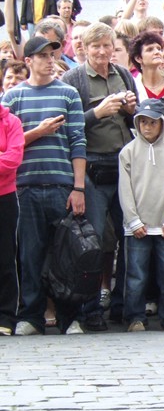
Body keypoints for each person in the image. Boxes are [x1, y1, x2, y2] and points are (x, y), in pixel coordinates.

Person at [2, 36, 87, 335]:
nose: (50, 61)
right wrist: (38, 132)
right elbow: (9, 146)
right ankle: (32, 316)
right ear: (28, 61)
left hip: (61, 184)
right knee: (29, 255)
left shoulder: (68, 93)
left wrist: (78, 187)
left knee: (67, 254)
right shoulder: (12, 98)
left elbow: (78, 141)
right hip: (24, 186)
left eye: (52, 55)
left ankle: (70, 316)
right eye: (43, 56)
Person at [62, 23, 138, 329]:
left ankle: (124, 306)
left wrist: (131, 110)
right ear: (84, 48)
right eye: (96, 46)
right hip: (92, 167)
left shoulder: (124, 75)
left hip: (124, 164)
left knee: (129, 236)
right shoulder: (74, 79)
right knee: (91, 242)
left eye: (107, 45)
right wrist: (97, 112)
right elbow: (67, 126)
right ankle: (90, 309)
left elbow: (137, 121)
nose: (103, 52)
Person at [118, 98, 164, 332]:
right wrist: (133, 221)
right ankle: (134, 317)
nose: (147, 127)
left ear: (162, 124)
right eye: (143, 122)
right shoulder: (128, 152)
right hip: (137, 227)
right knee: (136, 276)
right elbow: (125, 190)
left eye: (152, 122)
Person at [0, 103, 23, 336]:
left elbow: (13, 159)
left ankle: (5, 316)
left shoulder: (11, 122)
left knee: (5, 257)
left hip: (4, 197)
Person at [129, 31, 164, 100]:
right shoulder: (133, 87)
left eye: (159, 49)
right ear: (138, 58)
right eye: (150, 50)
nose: (157, 52)